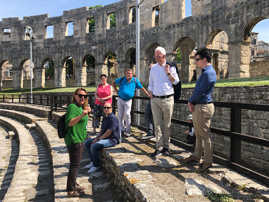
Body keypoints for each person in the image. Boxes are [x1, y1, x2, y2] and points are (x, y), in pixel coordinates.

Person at [183, 48, 216, 172]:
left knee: (205, 135)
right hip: (200, 105)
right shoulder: (206, 72)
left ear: (204, 59)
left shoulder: (208, 73)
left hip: (203, 107)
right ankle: (197, 156)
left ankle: (207, 162)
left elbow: (200, 91)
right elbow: (199, 90)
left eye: (197, 59)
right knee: (199, 133)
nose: (195, 62)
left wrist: (191, 101)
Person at [148, 46, 180, 157]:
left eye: (158, 56)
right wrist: (150, 91)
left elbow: (176, 82)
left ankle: (166, 147)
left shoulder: (170, 67)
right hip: (155, 99)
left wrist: (168, 73)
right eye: (155, 56)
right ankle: (158, 147)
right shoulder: (153, 68)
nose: (156, 58)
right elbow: (151, 83)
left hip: (167, 99)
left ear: (164, 56)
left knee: (166, 125)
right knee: (157, 124)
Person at [64, 88, 91, 197]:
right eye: (80, 95)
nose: (82, 98)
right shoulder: (72, 107)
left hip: (80, 138)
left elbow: (82, 123)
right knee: (74, 165)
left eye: (85, 96)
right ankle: (70, 190)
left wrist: (86, 112)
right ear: (75, 96)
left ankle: (73, 183)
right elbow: (70, 123)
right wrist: (82, 115)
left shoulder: (81, 107)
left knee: (76, 164)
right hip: (74, 139)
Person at [113, 68, 151, 137]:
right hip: (120, 99)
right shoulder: (122, 79)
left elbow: (142, 87)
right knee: (120, 115)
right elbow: (114, 83)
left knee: (127, 114)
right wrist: (116, 90)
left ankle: (128, 130)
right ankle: (121, 130)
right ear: (125, 74)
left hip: (128, 100)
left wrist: (148, 94)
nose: (129, 75)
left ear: (132, 74)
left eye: (130, 73)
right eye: (127, 73)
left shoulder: (135, 80)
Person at [84, 102, 120, 173]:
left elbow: (109, 132)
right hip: (105, 138)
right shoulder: (105, 117)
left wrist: (99, 139)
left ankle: (96, 165)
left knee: (94, 146)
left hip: (112, 139)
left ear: (111, 109)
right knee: (87, 143)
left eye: (108, 108)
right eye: (105, 108)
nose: (106, 109)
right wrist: (97, 138)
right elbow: (102, 131)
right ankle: (92, 161)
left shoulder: (113, 118)